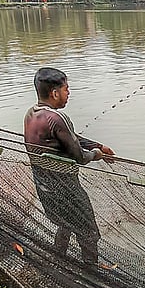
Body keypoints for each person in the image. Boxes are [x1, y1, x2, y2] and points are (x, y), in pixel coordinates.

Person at [23, 67, 116, 269]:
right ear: (54, 93)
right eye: (66, 89)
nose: (68, 94)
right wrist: (96, 155)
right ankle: (91, 273)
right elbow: (79, 157)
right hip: (66, 187)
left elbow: (69, 138)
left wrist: (97, 145)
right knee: (89, 232)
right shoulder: (58, 118)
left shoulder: (31, 114)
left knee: (65, 224)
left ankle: (59, 262)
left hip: (45, 186)